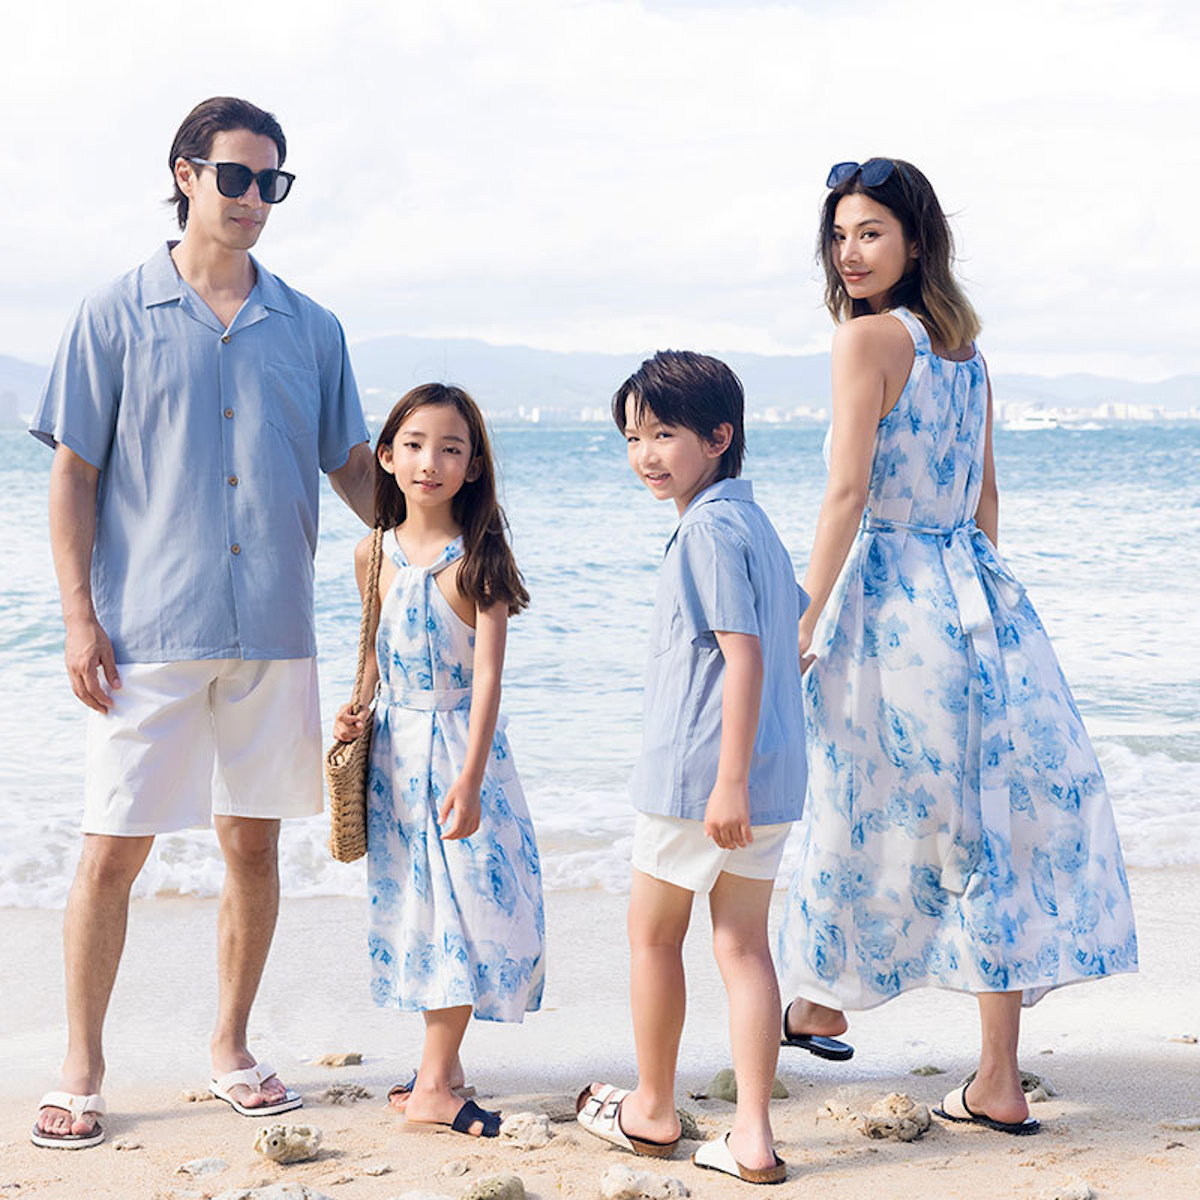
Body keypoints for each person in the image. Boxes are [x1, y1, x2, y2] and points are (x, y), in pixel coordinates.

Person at [29, 96, 375, 1150]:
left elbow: (355, 468)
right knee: (111, 853)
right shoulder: (111, 314)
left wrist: (454, 538)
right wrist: (79, 618)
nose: (255, 198)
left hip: (274, 629)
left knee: (253, 848)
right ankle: (81, 1067)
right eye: (236, 177)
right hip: (148, 631)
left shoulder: (312, 328)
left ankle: (230, 1048)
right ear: (185, 175)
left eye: (273, 182)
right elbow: (73, 474)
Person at [777, 158, 1138, 1136]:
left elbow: (847, 494)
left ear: (915, 240)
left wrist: (804, 616)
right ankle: (996, 1081)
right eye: (840, 235)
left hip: (891, 598)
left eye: (870, 233)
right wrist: (977, 594)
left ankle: (822, 998)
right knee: (985, 826)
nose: (850, 253)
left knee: (852, 789)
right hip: (979, 600)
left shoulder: (865, 341)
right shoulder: (965, 351)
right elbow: (986, 496)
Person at [576, 351, 806, 1185]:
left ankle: (652, 1109)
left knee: (653, 937)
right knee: (743, 948)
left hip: (701, 781)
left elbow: (743, 655)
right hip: (770, 774)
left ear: (719, 437)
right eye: (633, 437)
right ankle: (752, 1136)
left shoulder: (705, 530)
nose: (645, 454)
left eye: (664, 434)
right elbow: (790, 636)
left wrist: (726, 781)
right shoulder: (754, 523)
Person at [332, 383, 544, 1140]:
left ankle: (435, 1076)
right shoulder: (372, 553)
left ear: (473, 465)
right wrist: (354, 708)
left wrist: (472, 777)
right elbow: (372, 651)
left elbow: (488, 680)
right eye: (415, 445)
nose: (431, 462)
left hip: (460, 754)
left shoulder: (479, 556)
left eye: (451, 448)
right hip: (395, 760)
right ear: (386, 456)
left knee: (473, 910)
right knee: (427, 915)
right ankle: (435, 1083)